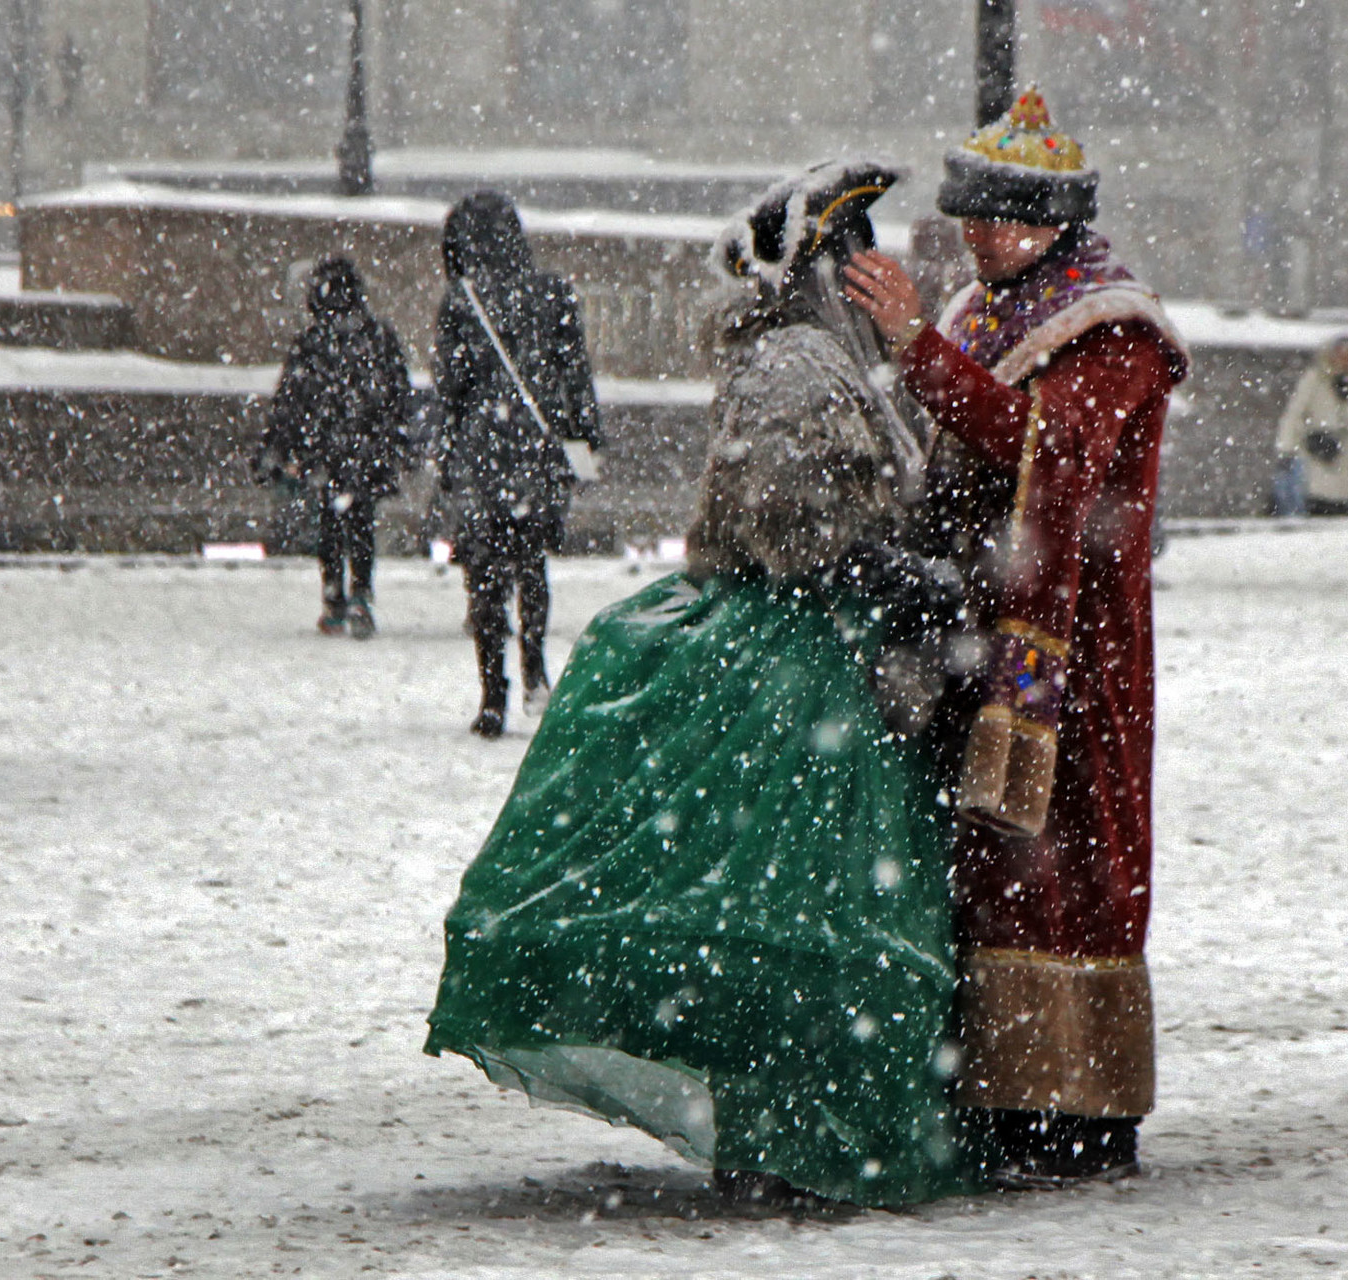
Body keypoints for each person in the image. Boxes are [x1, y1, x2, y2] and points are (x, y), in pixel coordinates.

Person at [425, 161, 982, 1208]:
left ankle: (807, 1133)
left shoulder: (827, 358)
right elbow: (795, 520)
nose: (875, 264)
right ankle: (795, 1140)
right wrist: (895, 576)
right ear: (814, 263)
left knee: (807, 919)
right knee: (803, 917)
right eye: (854, 245)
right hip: (796, 671)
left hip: (821, 661)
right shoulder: (800, 362)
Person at [843, 85, 1188, 1186]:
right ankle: (999, 1089)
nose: (981, 236)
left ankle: (1075, 1108)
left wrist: (914, 347)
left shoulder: (1108, 325)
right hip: (981, 631)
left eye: (1003, 217)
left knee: (1071, 865)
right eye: (973, 215)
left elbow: (1047, 456)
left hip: (1073, 651)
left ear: (1057, 222)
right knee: (990, 863)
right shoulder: (981, 310)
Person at [433, 191, 602, 738]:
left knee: (483, 572)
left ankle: (492, 694)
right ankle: (535, 668)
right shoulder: (554, 291)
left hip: (484, 448)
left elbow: (451, 390)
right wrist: (586, 435)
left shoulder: (462, 300)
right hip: (539, 443)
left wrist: (447, 455)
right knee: (531, 561)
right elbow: (576, 372)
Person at [257, 254, 420, 638]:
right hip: (368, 446)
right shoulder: (380, 336)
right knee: (361, 519)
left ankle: (333, 601)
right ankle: (361, 592)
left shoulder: (312, 342)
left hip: (325, 447)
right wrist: (399, 442)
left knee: (330, 522)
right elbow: (399, 395)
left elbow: (290, 400)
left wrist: (278, 448)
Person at [1275, 335, 1348, 516]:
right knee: (1314, 500)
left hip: (1342, 455)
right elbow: (1294, 414)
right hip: (1314, 451)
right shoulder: (1315, 379)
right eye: (1340, 355)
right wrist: (1288, 448)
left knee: (1340, 504)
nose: (1344, 360)